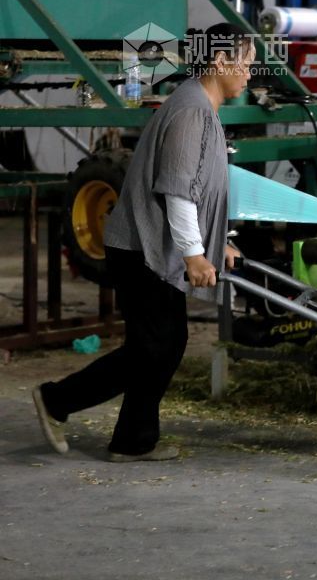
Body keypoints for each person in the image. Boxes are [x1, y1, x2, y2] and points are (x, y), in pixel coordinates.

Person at [31, 23, 253, 460]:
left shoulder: (200, 106)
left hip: (150, 248)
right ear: (221, 61)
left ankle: (131, 440)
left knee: (159, 345)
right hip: (140, 249)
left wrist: (216, 243)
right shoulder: (192, 111)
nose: (249, 73)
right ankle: (58, 401)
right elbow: (177, 188)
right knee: (155, 346)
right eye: (245, 63)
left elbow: (199, 188)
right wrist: (193, 253)